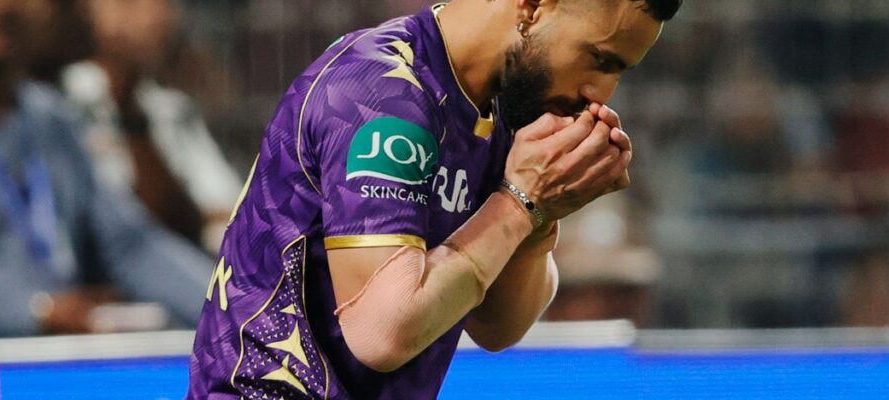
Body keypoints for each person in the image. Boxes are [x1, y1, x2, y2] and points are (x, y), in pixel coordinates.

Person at [187, 0, 679, 397]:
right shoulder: (380, 94)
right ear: (531, 7)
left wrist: (543, 213)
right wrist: (519, 203)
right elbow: (382, 333)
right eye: (600, 60)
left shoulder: (503, 109)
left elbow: (497, 328)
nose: (600, 93)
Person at [0, 0, 212, 337]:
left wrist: (234, 312)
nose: (6, 6)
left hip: (69, 353)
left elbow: (132, 246)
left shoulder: (49, 116)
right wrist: (36, 313)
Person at [63, 0, 242, 251]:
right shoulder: (63, 98)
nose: (156, 16)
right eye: (130, 4)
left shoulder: (172, 107)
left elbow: (227, 208)